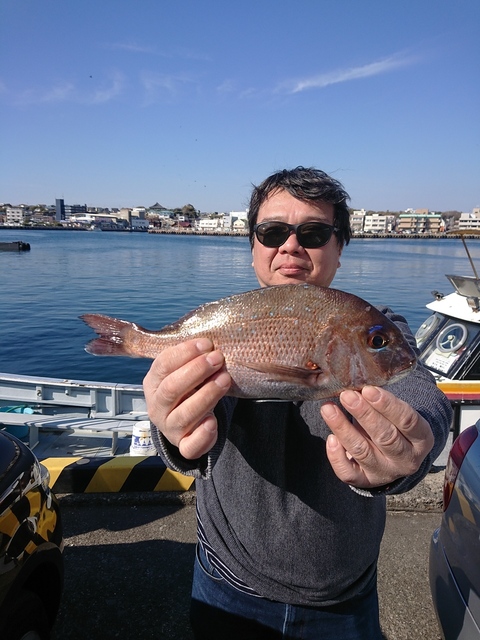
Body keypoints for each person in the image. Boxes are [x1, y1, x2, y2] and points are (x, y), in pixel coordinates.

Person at [143, 167, 452, 639]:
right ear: (253, 249)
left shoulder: (376, 323)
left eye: (312, 232)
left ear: (339, 248)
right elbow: (194, 432)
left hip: (344, 600)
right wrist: (172, 427)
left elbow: (417, 389)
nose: (290, 246)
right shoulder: (221, 328)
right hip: (226, 582)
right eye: (271, 232)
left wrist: (413, 447)